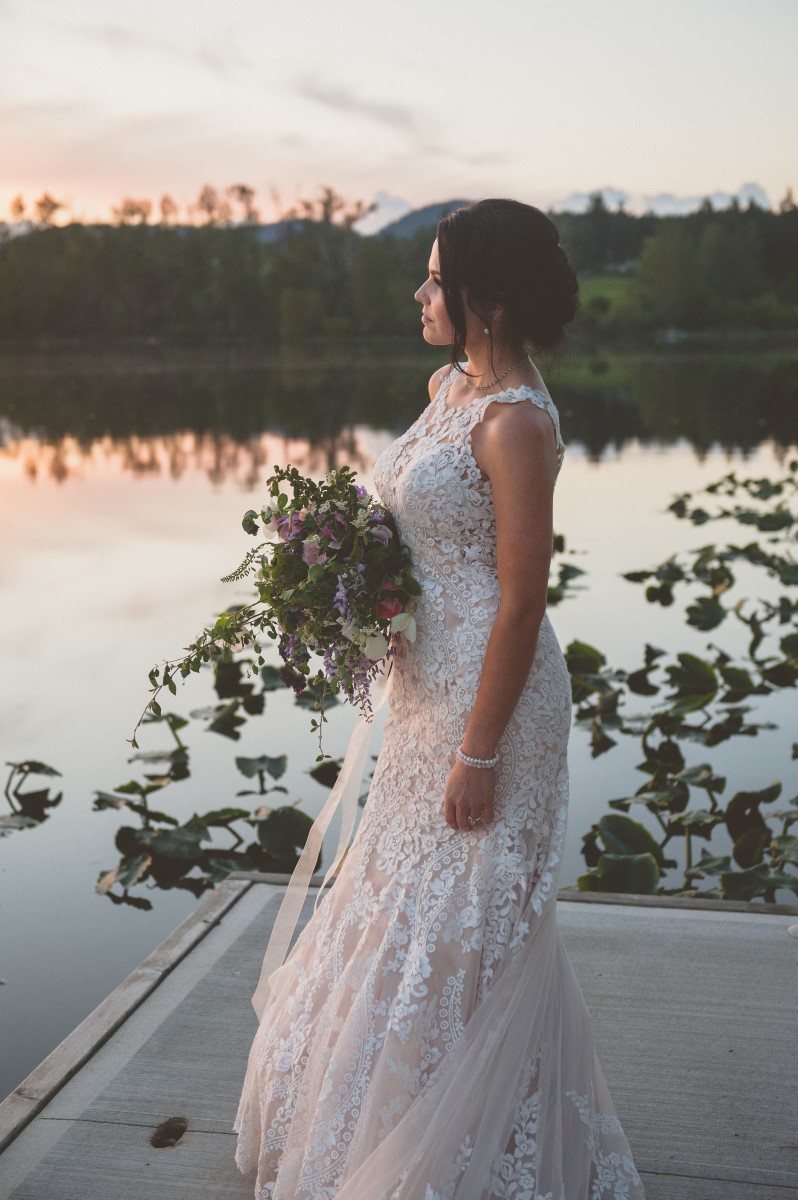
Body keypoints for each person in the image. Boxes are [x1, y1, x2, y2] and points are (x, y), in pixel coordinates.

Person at [233, 198, 646, 1199]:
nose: (420, 293)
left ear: (485, 301)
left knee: (469, 917)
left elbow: (519, 602)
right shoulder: (448, 387)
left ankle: (486, 1146)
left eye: (433, 279)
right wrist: (346, 577)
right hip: (426, 687)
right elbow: (419, 532)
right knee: (399, 897)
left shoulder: (516, 424)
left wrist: (480, 751)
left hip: (491, 699)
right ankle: (385, 1119)